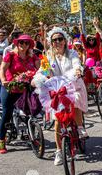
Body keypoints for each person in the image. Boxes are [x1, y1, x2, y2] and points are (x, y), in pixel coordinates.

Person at [32, 27, 89, 165]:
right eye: (54, 40)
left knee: (74, 101)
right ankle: (58, 151)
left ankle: (80, 127)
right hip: (57, 91)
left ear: (64, 40)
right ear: (51, 43)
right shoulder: (48, 57)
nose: (57, 42)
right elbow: (42, 71)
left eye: (60, 39)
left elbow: (77, 64)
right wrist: (38, 79)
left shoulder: (72, 53)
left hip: (72, 85)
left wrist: (77, 70)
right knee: (57, 121)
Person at [0, 35, 40, 154]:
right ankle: (1, 140)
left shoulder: (32, 57)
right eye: (21, 42)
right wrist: (3, 80)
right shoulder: (10, 55)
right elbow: (2, 69)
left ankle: (33, 137)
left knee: (30, 112)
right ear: (17, 43)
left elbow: (42, 69)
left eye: (26, 43)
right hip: (10, 88)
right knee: (7, 113)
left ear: (29, 45)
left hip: (25, 89)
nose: (24, 45)